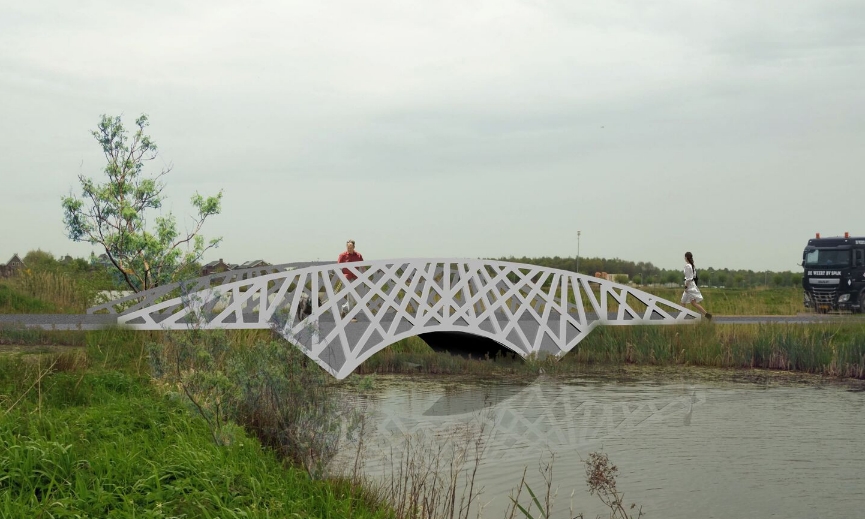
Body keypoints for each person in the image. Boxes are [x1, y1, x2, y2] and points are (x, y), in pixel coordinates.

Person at [337, 240, 364, 319]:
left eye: (351, 247)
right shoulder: (342, 255)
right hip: (347, 278)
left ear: (354, 247)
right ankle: (352, 316)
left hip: (356, 278)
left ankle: (344, 309)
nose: (349, 249)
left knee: (357, 298)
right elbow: (338, 266)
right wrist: (341, 277)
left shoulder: (358, 255)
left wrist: (366, 276)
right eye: (348, 247)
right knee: (351, 297)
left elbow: (363, 267)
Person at [682, 251, 712, 320]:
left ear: (686, 257)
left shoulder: (687, 266)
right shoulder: (692, 266)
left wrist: (686, 287)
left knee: (684, 302)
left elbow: (688, 278)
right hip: (692, 285)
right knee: (691, 303)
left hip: (689, 286)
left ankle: (683, 318)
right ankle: (707, 315)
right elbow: (694, 276)